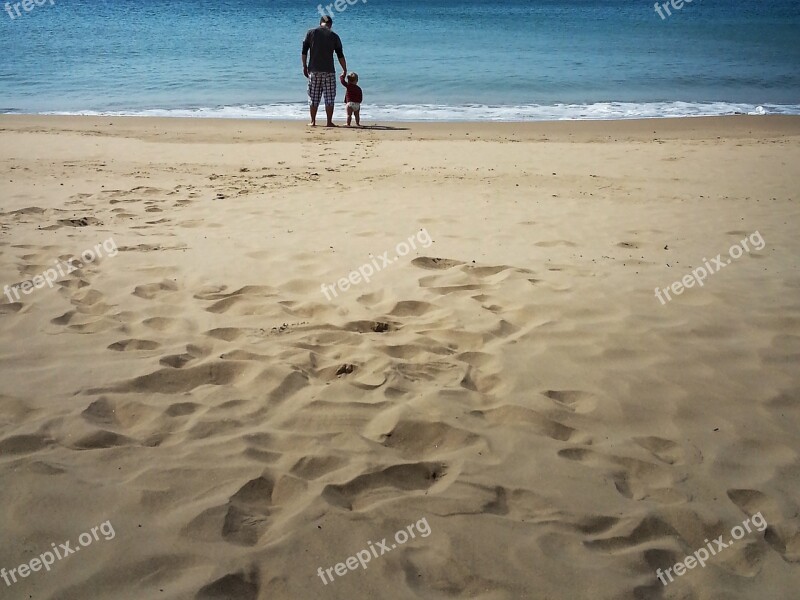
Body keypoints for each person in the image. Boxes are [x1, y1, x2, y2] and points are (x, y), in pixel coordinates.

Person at [302, 15, 347, 127]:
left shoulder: (310, 33)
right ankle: (329, 122)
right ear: (330, 25)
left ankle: (313, 121)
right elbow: (340, 55)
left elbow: (304, 51)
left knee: (313, 97)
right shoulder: (334, 36)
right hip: (329, 71)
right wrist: (344, 69)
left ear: (320, 23)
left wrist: (304, 66)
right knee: (329, 97)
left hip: (314, 70)